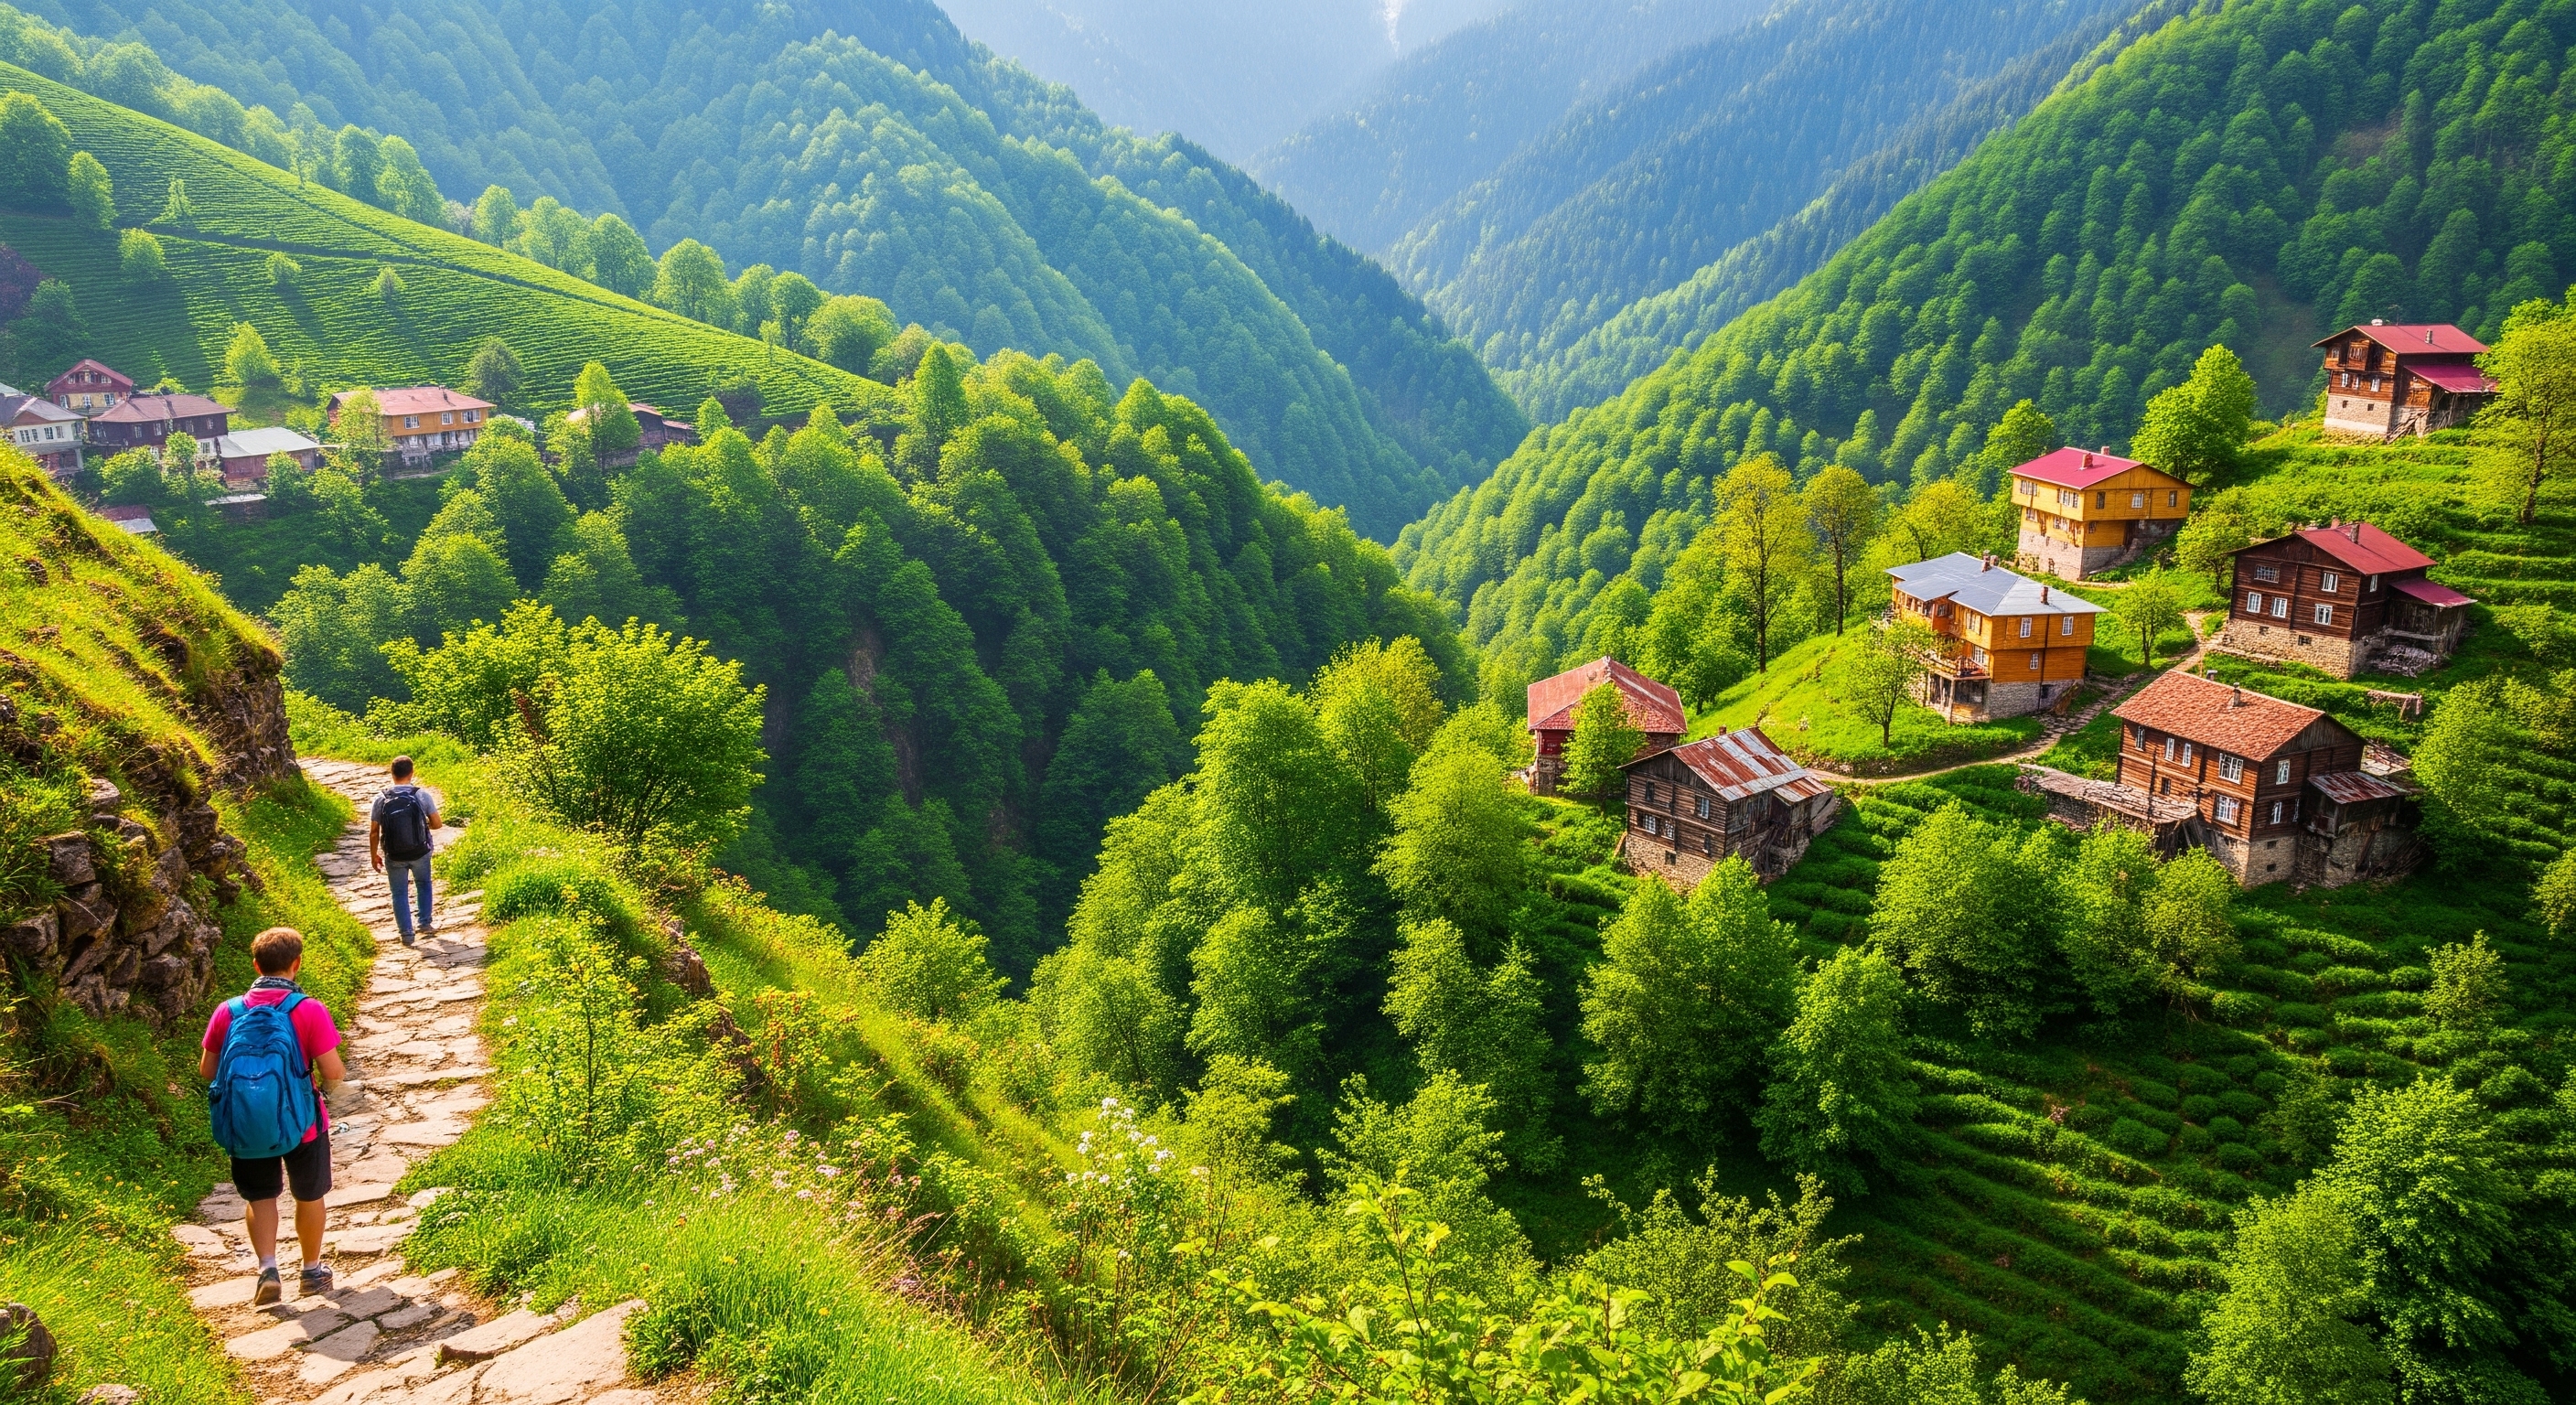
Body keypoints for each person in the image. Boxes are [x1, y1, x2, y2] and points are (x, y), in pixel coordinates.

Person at [201, 928, 348, 1305]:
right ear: (296, 964)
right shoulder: (308, 1009)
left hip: (247, 1124)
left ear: (255, 964)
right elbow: (333, 1072)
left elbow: (207, 1069)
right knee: (309, 1195)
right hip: (304, 1125)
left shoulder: (229, 1011)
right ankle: (312, 1272)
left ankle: (268, 1268)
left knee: (260, 1196)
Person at [369, 755, 445, 946]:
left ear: (392, 774)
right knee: (423, 883)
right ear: (412, 773)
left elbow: (374, 832)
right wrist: (422, 826)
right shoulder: (421, 795)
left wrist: (373, 855)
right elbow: (437, 824)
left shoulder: (381, 798)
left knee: (399, 893)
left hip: (394, 855)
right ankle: (425, 924)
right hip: (420, 852)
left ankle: (407, 934)